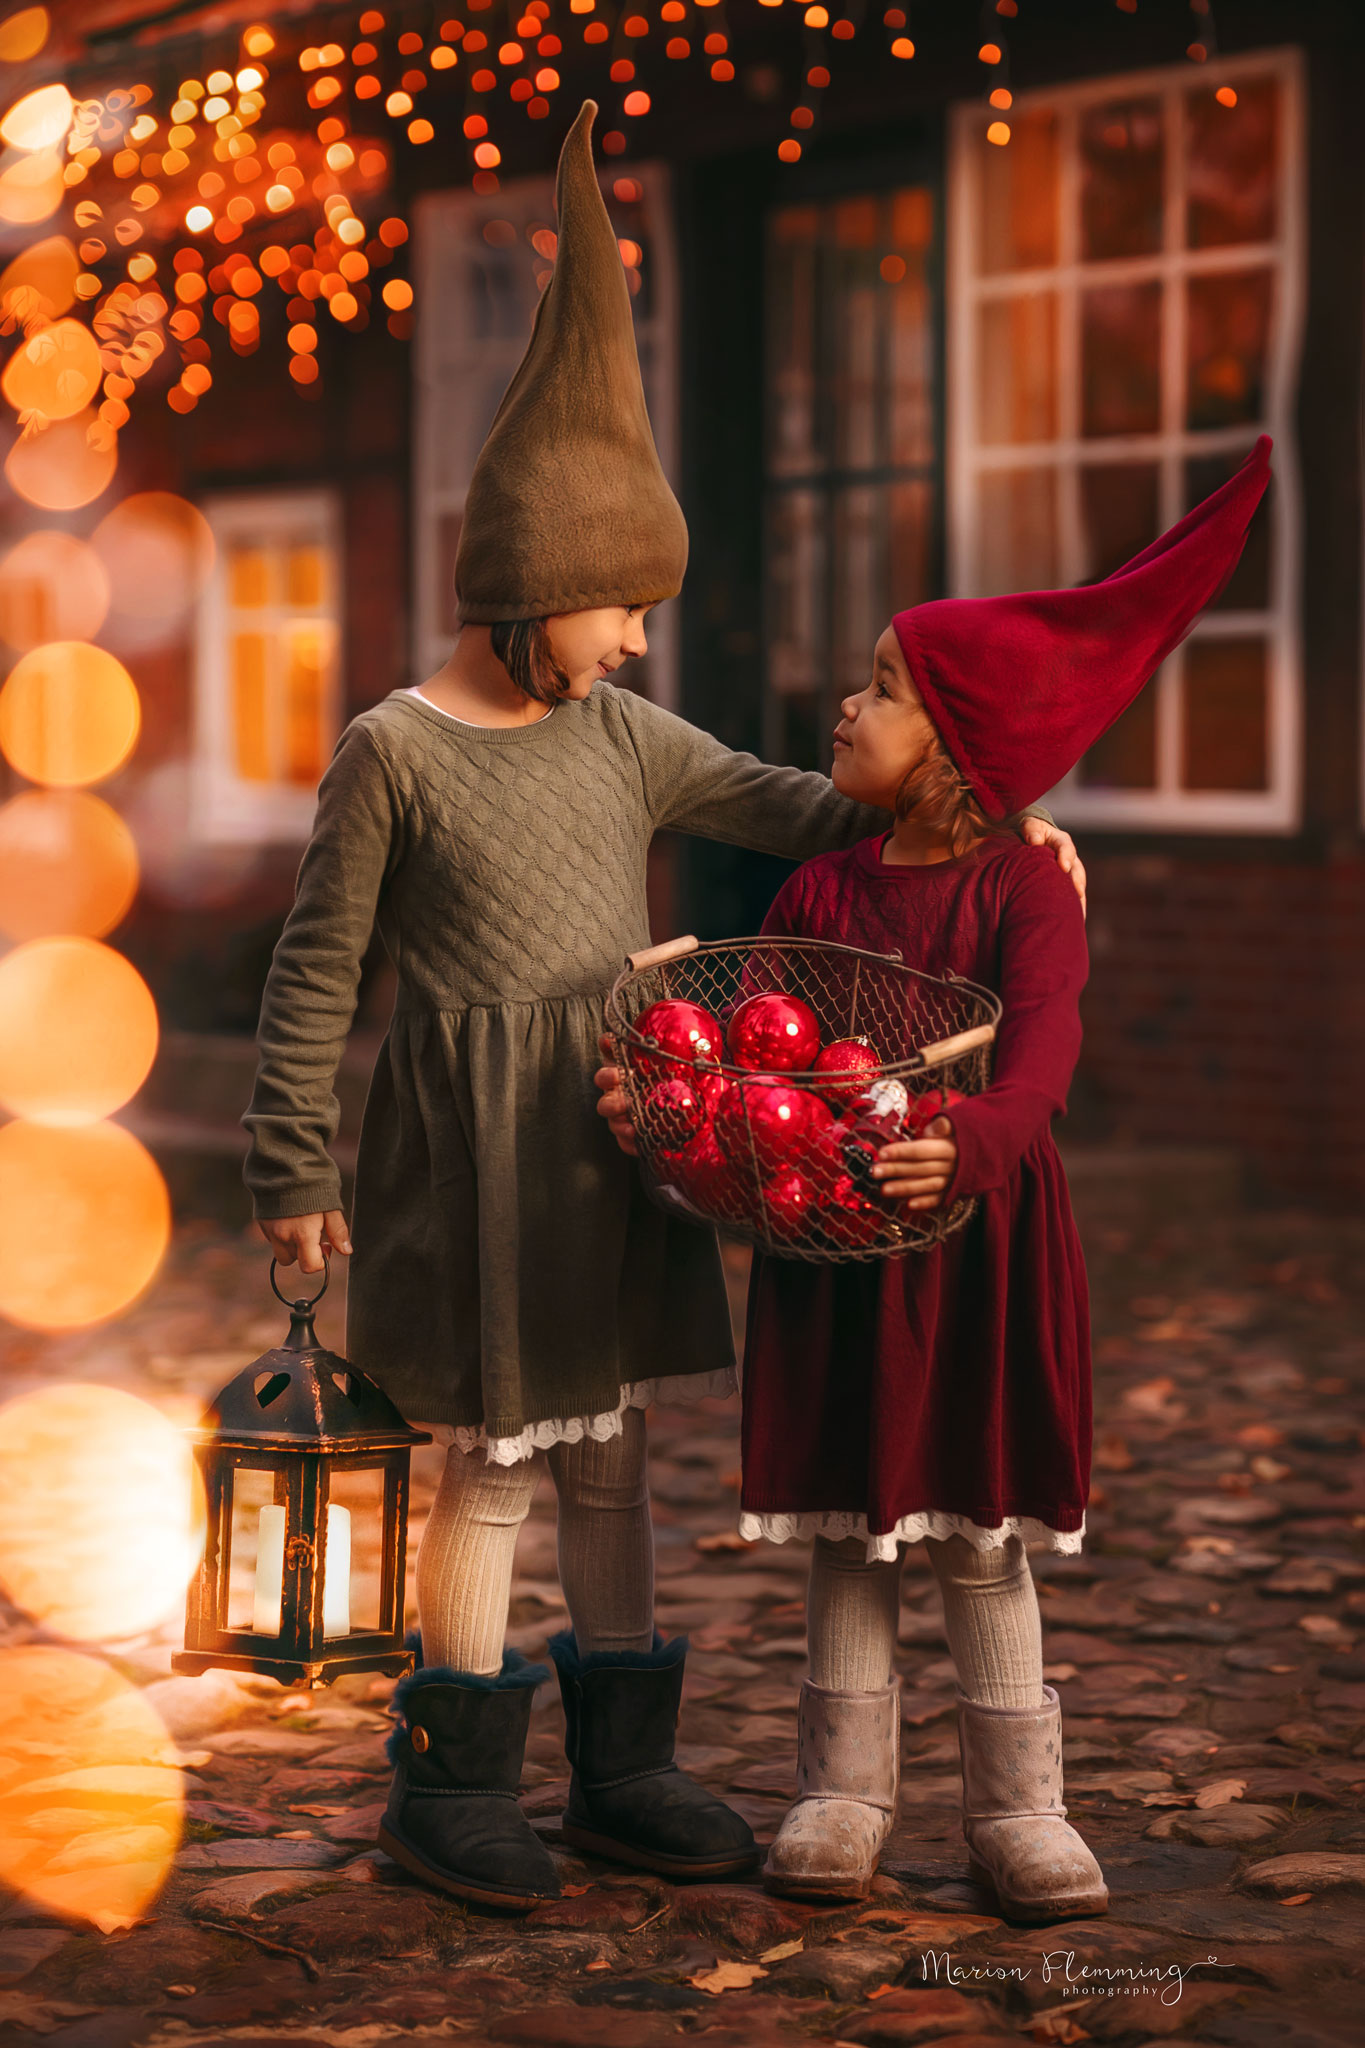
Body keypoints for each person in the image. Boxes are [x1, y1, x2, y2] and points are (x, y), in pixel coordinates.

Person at [244, 100, 1085, 1914]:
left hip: (623, 1126)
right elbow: (320, 970)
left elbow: (800, 804)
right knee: (489, 1461)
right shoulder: (394, 752)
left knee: (611, 1444)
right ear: (541, 588)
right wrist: (286, 1165)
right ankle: (455, 1764)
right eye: (622, 606)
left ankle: (621, 1761)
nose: (637, 640)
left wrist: (988, 813)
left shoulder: (624, 737)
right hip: (467, 1150)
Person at [598, 437, 1270, 1920]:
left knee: (971, 1533)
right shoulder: (818, 890)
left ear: (961, 740)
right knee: (851, 1529)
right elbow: (748, 1055)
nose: (848, 702)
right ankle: (842, 1789)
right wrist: (670, 1103)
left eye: (887, 688)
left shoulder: (1023, 883)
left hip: (968, 1247)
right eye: (863, 679)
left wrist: (969, 1141)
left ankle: (1020, 1809)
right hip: (841, 1249)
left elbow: (1042, 1052)